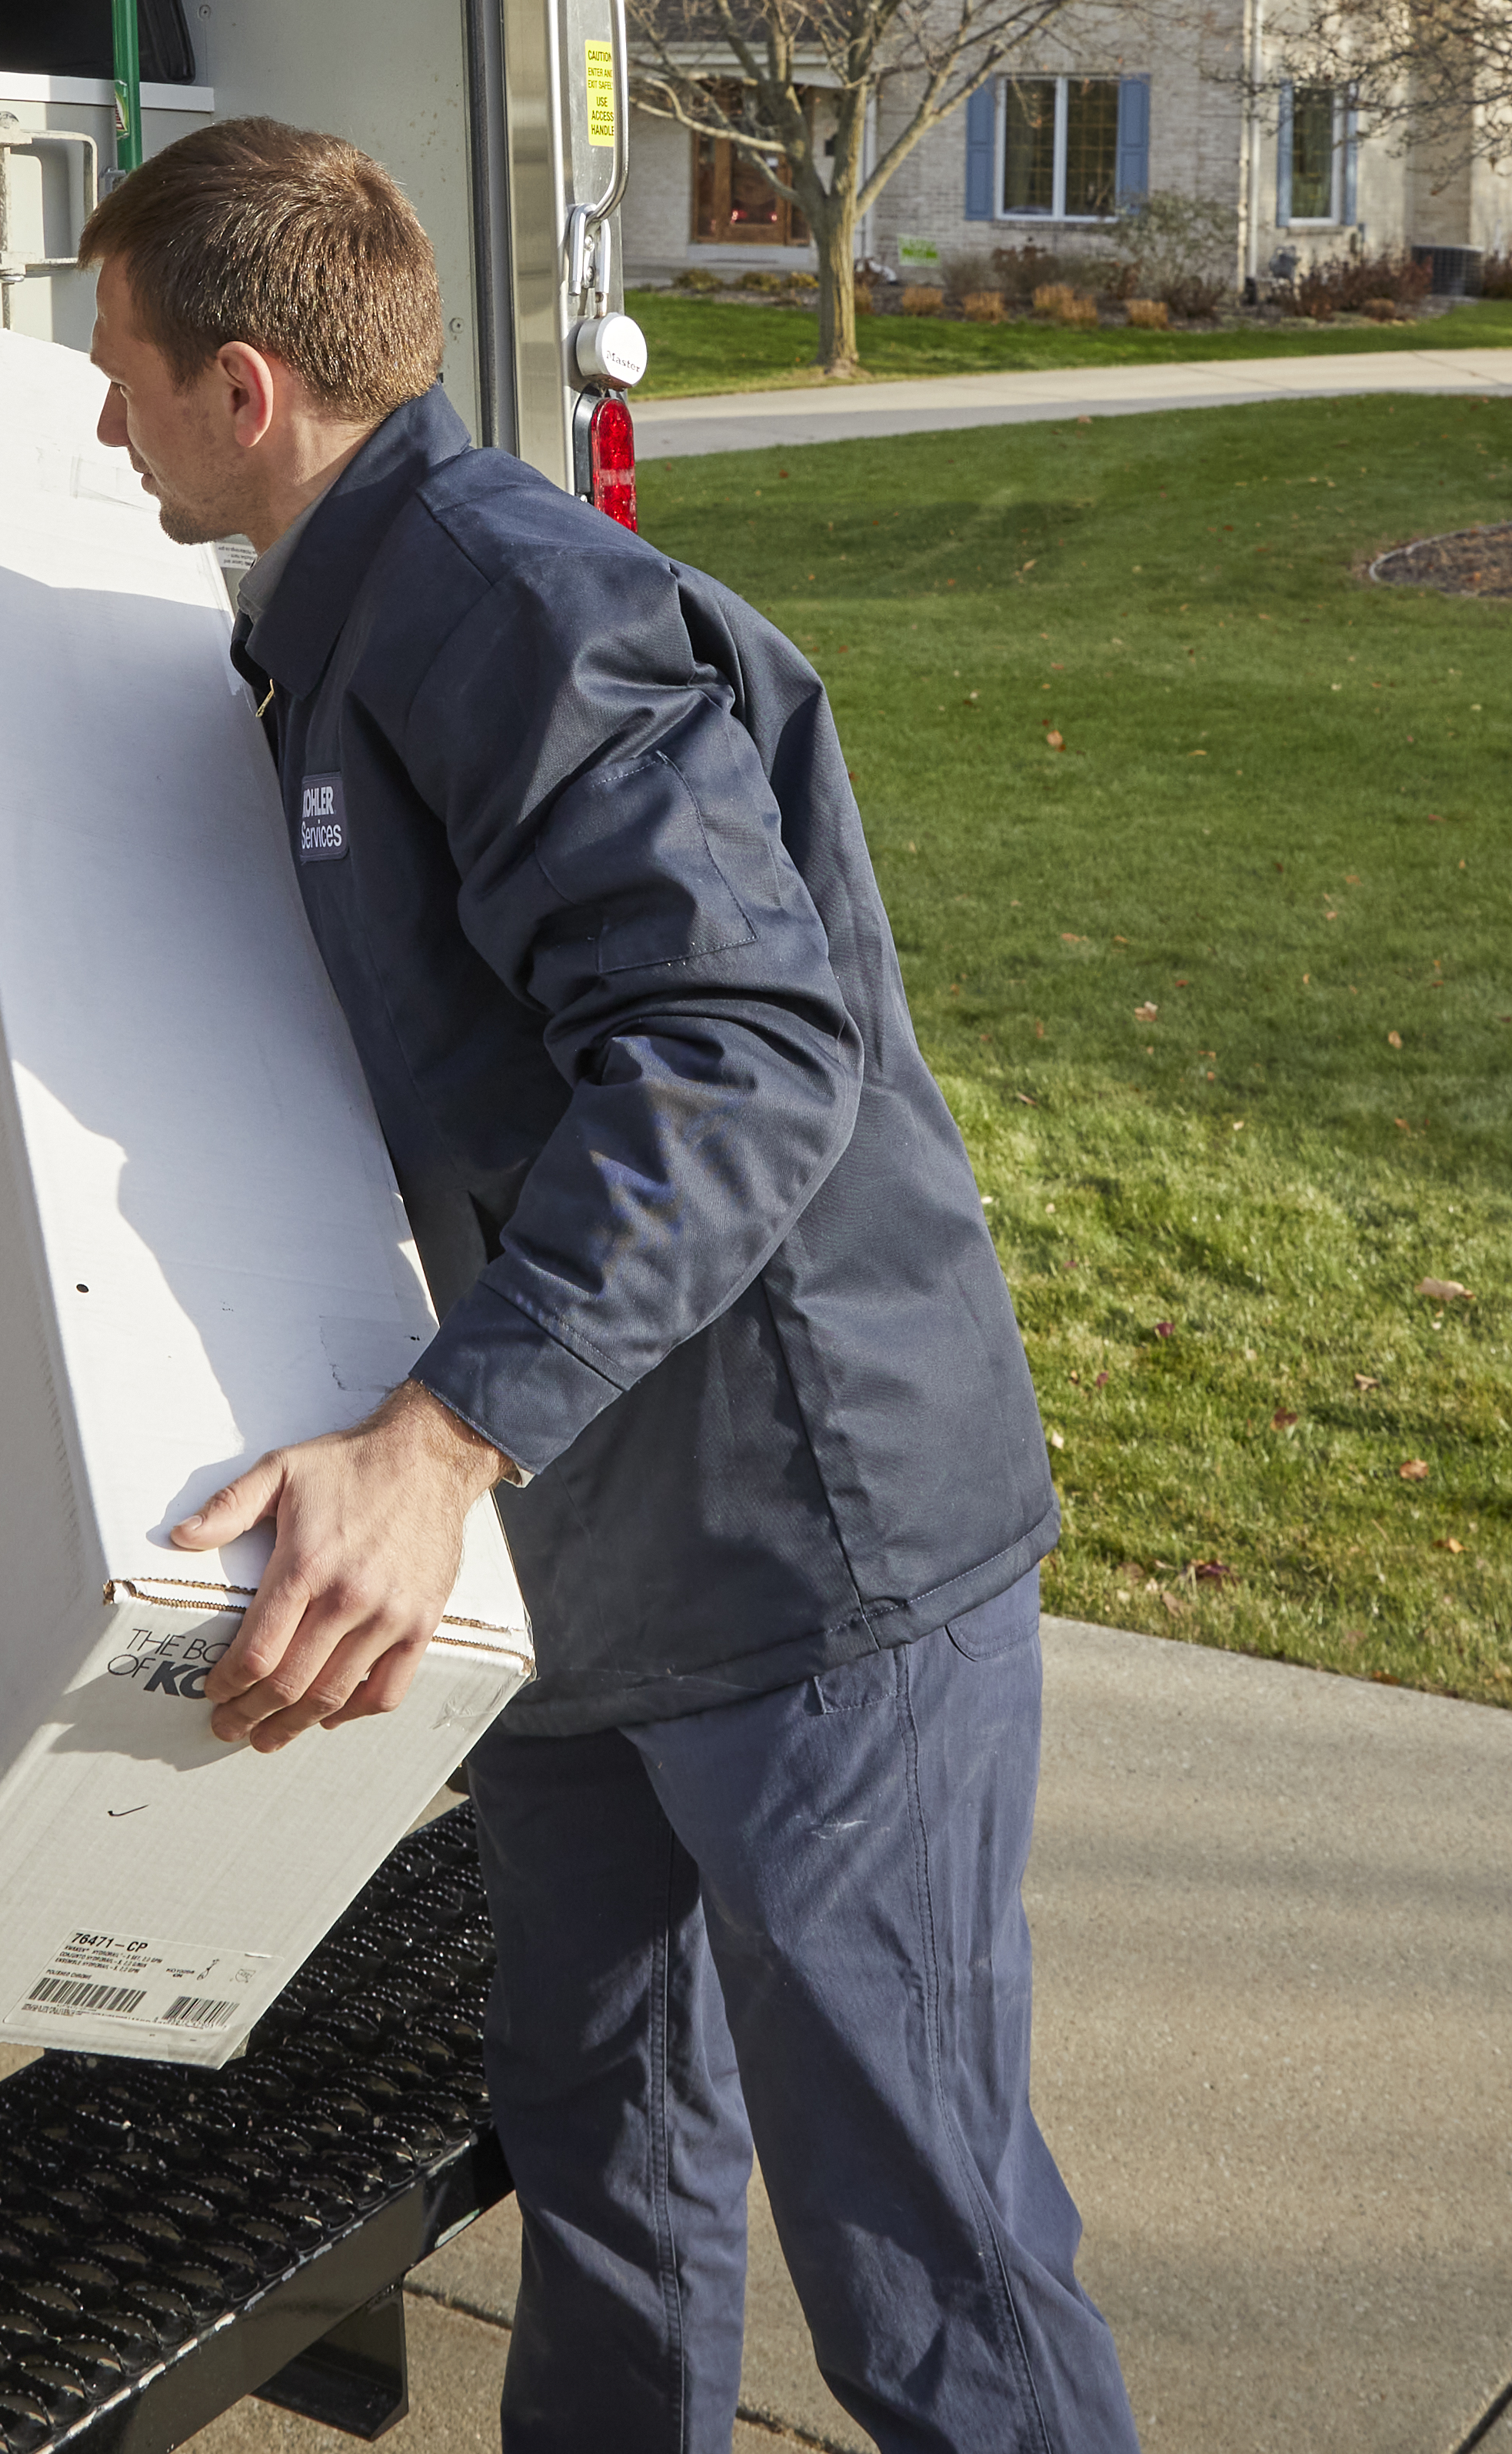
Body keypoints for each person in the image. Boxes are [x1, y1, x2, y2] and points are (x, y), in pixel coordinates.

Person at [83, 118, 1136, 2454]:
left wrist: (440, 1438)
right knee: (612, 2177)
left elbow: (743, 1049)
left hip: (811, 1561)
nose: (99, 423)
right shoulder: (334, 637)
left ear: (244, 388)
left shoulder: (502, 604)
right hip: (592, 1568)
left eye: (121, 371)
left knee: (925, 2273)